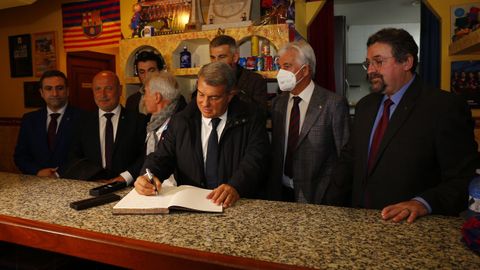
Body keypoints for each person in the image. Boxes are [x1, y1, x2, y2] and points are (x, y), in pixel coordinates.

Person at [328, 28, 479, 223]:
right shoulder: (365, 106)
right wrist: (328, 207)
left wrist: (423, 203)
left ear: (406, 62)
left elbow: (463, 178)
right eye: (369, 63)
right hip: (359, 221)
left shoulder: (444, 107)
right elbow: (349, 160)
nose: (371, 70)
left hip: (411, 228)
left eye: (379, 61)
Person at [134, 62, 269, 208]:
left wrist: (236, 186)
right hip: (191, 206)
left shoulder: (251, 118)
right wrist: (148, 176)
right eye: (201, 94)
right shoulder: (182, 120)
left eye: (214, 98)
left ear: (230, 95)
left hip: (235, 205)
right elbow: (162, 157)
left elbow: (256, 162)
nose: (205, 103)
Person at [267, 41, 350, 204]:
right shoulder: (279, 103)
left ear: (304, 70)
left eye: (287, 66)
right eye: (279, 67)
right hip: (280, 193)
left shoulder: (333, 103)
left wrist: (333, 195)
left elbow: (345, 156)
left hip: (318, 195)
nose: (280, 73)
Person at [64, 71, 147, 184]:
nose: (103, 95)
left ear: (120, 90)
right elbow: (74, 156)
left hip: (130, 187)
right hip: (93, 185)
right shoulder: (82, 122)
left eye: (108, 88)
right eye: (98, 89)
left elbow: (145, 155)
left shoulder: (139, 121)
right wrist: (93, 177)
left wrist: (125, 177)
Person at [14, 70, 83, 177]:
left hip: (72, 181)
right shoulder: (29, 119)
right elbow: (20, 156)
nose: (55, 93)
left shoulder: (83, 118)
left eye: (60, 88)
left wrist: (58, 174)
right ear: (41, 93)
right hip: (36, 183)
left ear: (67, 91)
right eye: (49, 88)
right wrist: (37, 171)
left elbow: (86, 157)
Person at [208, 35, 267, 109]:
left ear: (235, 57)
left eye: (222, 57)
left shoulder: (255, 80)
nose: (216, 62)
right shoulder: (206, 79)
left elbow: (261, 114)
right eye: (212, 57)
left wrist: (235, 91)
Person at [143, 71, 186, 155]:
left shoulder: (179, 126)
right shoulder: (152, 122)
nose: (144, 99)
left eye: (145, 93)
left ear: (157, 97)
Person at [126, 50, 165, 115]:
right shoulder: (131, 100)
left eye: (151, 70)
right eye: (142, 72)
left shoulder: (172, 98)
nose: (147, 76)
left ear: (160, 71)